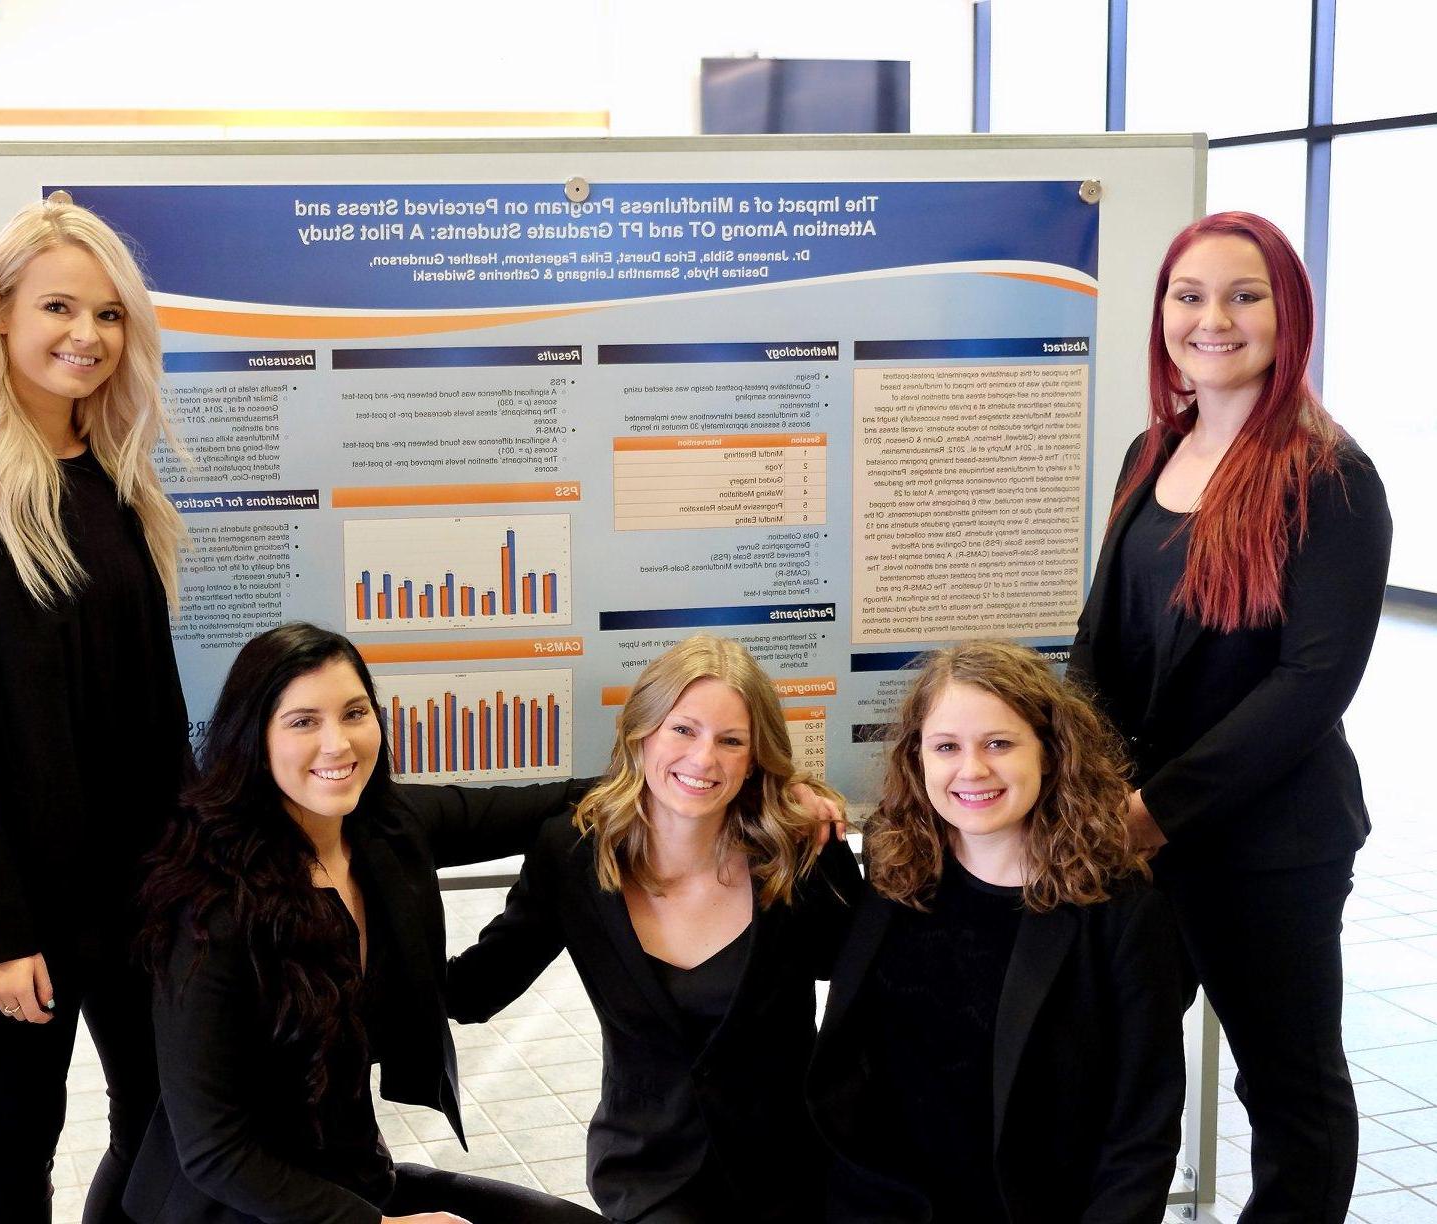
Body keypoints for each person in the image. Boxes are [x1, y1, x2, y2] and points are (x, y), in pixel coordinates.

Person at [1069, 210, 1393, 1223]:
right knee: (1112, 1076)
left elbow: (1311, 686)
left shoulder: (1330, 478)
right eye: (1190, 295)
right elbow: (1102, 644)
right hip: (1136, 837)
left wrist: (1155, 811)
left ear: (1286, 311)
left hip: (1266, 845)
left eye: (1244, 295)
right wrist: (1083, 790)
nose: (1214, 318)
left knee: (1288, 1088)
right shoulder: (1149, 450)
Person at [0, 196, 189, 1223]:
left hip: (142, 885)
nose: (87, 337)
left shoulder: (115, 475)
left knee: (169, 1119)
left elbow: (152, 701)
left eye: (109, 316)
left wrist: (194, 874)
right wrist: (1, 930)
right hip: (21, 897)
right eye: (61, 307)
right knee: (15, 1145)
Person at [126, 622, 607, 1224]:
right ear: (255, 738)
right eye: (303, 722)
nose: (338, 745)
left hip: (354, 1179)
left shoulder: (386, 827)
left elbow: (555, 802)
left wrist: (673, 783)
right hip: (233, 1204)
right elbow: (214, 1150)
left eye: (355, 713)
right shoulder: (211, 906)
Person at [443, 634, 860, 1224]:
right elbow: (473, 991)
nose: (704, 759)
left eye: (731, 741)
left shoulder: (801, 848)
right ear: (642, 733)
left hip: (801, 1167)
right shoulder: (574, 855)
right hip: (653, 1174)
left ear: (755, 758)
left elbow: (871, 979)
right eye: (682, 729)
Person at [808, 640, 1184, 1223]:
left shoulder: (1120, 913)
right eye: (946, 747)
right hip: (879, 1204)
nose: (972, 769)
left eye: (999, 744)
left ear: (1052, 754)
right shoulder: (895, 870)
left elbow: (1141, 1131)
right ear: (917, 758)